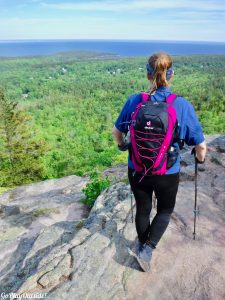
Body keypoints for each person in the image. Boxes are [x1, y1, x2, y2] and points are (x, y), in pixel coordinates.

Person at [112, 52, 206, 272]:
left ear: (147, 75)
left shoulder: (135, 101)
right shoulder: (181, 105)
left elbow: (117, 132)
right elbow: (200, 146)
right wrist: (199, 161)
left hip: (137, 168)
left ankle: (143, 243)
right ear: (171, 75)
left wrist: (123, 145)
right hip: (167, 171)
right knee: (164, 210)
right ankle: (147, 249)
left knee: (143, 209)